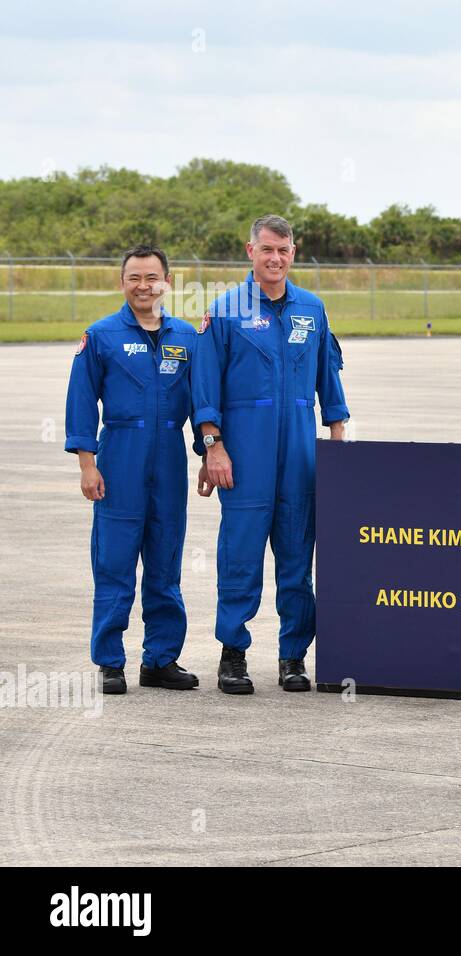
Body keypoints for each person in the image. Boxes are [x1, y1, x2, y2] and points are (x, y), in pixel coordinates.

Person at [193, 215, 349, 694]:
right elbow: (204, 387)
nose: (275, 258)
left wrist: (338, 441)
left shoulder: (312, 309)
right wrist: (211, 447)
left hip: (300, 457)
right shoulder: (224, 311)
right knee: (239, 556)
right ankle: (233, 655)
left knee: (298, 560)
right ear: (250, 252)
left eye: (283, 250)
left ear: (293, 253)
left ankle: (293, 656)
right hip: (244, 457)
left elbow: (329, 379)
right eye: (267, 250)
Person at [64, 245, 204, 694]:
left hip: (170, 453)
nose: (143, 286)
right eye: (134, 278)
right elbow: (82, 403)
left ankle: (161, 659)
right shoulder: (100, 336)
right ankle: (110, 661)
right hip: (119, 453)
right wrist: (88, 465)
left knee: (165, 560)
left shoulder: (187, 337)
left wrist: (207, 451)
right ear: (122, 283)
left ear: (167, 281)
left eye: (152, 278)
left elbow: (203, 400)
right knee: (114, 561)